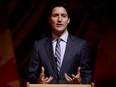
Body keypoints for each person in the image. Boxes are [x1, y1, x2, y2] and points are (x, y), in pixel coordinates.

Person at [26, 1, 92, 84]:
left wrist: (80, 81)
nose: (59, 19)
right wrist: (38, 81)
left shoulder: (80, 45)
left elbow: (87, 74)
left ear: (68, 20)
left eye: (63, 16)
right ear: (50, 20)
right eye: (55, 15)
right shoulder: (39, 45)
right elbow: (31, 74)